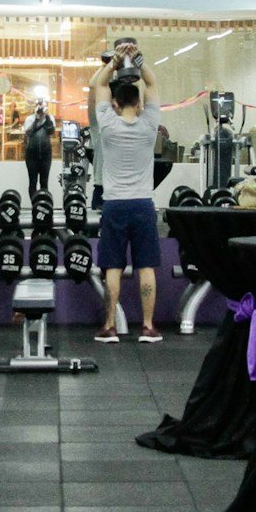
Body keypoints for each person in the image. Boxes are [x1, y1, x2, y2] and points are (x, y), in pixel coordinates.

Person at [90, 40, 164, 342]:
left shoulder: (108, 124)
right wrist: (138, 60)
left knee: (113, 267)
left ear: (116, 105)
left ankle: (109, 326)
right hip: (143, 205)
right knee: (146, 267)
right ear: (139, 104)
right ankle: (147, 326)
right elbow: (152, 83)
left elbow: (100, 85)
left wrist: (115, 62)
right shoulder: (149, 124)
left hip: (115, 205)